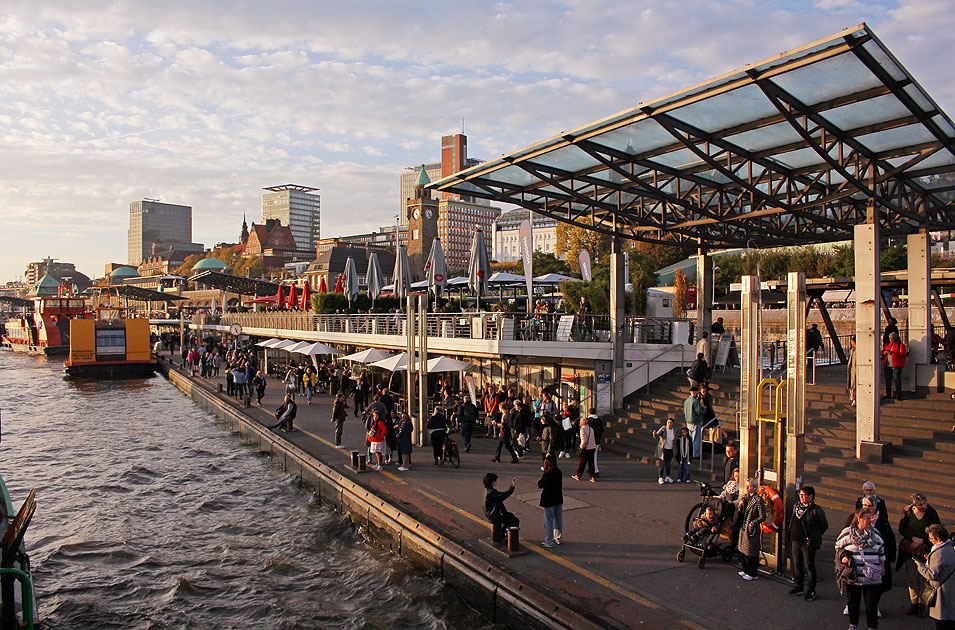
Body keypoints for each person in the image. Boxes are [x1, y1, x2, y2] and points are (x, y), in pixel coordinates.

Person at [835, 507, 887, 630]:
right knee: (853, 603)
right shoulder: (847, 533)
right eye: (867, 518)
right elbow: (838, 547)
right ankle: (853, 624)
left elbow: (881, 551)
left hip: (872, 576)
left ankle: (872, 627)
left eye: (871, 518)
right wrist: (843, 557)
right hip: (854, 576)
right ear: (859, 519)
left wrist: (882, 567)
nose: (870, 521)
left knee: (871, 605)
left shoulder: (876, 534)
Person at [899, 492, 942, 616]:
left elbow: (937, 528)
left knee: (923, 577)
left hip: (925, 549)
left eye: (924, 503)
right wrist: (912, 538)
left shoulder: (931, 512)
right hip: (909, 549)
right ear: (914, 505)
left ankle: (922, 604)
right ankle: (914, 603)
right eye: (920, 505)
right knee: (912, 577)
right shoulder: (907, 512)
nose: (924, 506)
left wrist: (923, 539)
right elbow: (902, 528)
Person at [787, 486, 828, 601]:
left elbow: (824, 525)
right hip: (796, 540)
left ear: (811, 497)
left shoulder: (816, 510)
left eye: (803, 495)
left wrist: (814, 536)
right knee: (797, 563)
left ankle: (811, 589)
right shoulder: (796, 506)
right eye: (800, 495)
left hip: (807, 542)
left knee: (809, 565)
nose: (801, 497)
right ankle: (799, 586)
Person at [915, 524, 955, 629]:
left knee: (942, 623)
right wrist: (930, 560)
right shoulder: (950, 548)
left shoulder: (939, 552)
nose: (930, 540)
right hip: (950, 590)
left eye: (931, 538)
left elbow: (931, 574)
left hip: (941, 593)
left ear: (938, 539)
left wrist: (920, 567)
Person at [736, 478, 766, 580]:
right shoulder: (745, 498)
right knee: (744, 550)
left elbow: (763, 516)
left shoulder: (758, 500)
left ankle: (752, 573)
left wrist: (753, 523)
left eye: (750, 486)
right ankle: (745, 569)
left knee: (751, 552)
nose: (748, 488)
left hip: (751, 529)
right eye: (747, 486)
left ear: (755, 488)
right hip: (744, 527)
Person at [538, 455, 563, 548]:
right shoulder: (559, 472)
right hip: (558, 498)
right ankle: (558, 537)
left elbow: (541, 484)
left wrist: (544, 473)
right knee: (558, 518)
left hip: (549, 499)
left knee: (548, 520)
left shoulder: (547, 474)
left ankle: (548, 540)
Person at [881, 332, 907, 401]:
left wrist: (893, 354)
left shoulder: (900, 345)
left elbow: (902, 354)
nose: (891, 340)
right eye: (890, 339)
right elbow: (882, 352)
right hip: (887, 365)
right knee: (888, 381)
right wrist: (885, 352)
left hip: (896, 365)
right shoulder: (887, 345)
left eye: (892, 338)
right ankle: (888, 394)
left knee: (897, 380)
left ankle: (899, 395)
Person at [572, 416, 597, 483]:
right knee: (591, 463)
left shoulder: (582, 430)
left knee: (582, 463)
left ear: (582, 423)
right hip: (592, 447)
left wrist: (580, 447)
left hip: (586, 448)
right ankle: (592, 476)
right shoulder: (591, 429)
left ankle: (578, 475)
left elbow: (584, 441)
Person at [652, 418, 676, 485]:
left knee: (668, 464)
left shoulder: (674, 430)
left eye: (671, 422)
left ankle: (668, 476)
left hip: (670, 449)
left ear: (673, 424)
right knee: (662, 464)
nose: (669, 424)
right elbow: (657, 435)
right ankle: (660, 477)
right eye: (668, 422)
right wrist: (654, 434)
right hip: (663, 449)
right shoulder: (663, 428)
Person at [683, 388, 704, 458]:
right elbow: (699, 411)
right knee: (696, 439)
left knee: (690, 438)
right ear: (695, 392)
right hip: (695, 422)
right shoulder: (695, 401)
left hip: (688, 422)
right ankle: (695, 454)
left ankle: (689, 452)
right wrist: (704, 408)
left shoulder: (686, 401)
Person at [847, 335, 857, 406]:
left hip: (855, 370)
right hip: (852, 369)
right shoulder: (853, 350)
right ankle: (853, 398)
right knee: (852, 384)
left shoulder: (856, 351)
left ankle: (855, 399)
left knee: (854, 384)